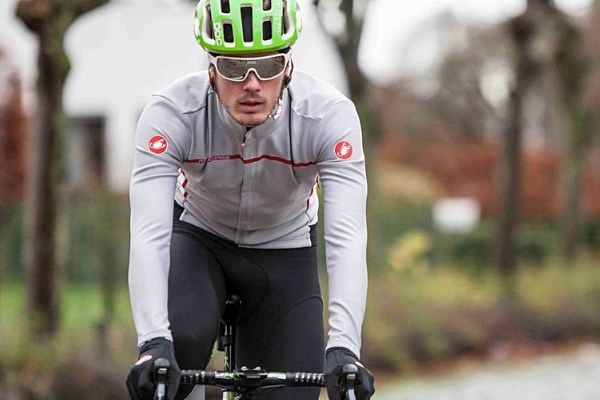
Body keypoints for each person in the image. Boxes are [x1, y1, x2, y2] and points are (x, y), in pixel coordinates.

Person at [125, 0, 374, 399]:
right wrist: (151, 341)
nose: (253, 84)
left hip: (285, 249)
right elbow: (148, 232)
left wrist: (345, 346)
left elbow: (347, 237)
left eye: (269, 66)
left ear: (288, 65)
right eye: (234, 68)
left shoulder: (328, 117)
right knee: (175, 352)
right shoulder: (172, 112)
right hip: (199, 237)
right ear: (210, 68)